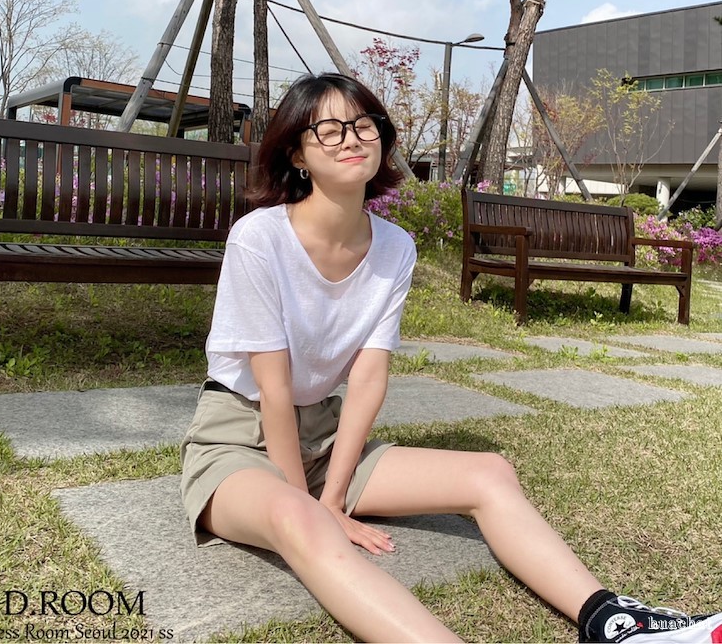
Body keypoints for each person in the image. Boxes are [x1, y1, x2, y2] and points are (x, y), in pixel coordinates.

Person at [180, 72, 722, 644]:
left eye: (363, 124)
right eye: (329, 129)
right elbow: (273, 388)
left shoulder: (395, 246)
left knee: (490, 473)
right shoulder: (260, 238)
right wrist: (316, 507)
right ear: (297, 153)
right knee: (302, 519)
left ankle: (614, 623)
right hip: (238, 440)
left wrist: (335, 495)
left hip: (323, 438)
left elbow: (368, 377)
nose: (351, 138)